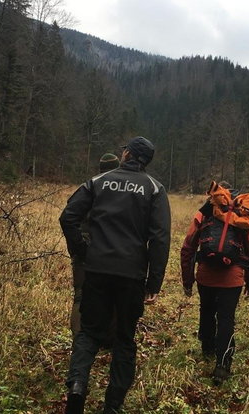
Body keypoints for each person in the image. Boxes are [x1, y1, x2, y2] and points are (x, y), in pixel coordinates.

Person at [59, 136, 171, 414]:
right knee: (124, 339)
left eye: (124, 149)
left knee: (89, 333)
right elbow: (160, 238)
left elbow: (68, 217)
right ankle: (113, 405)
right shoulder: (155, 189)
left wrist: (83, 251)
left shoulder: (99, 181)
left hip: (96, 269)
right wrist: (153, 281)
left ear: (128, 154)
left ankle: (76, 388)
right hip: (131, 275)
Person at [180, 182, 249, 386]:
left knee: (206, 310)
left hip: (205, 275)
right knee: (226, 318)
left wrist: (188, 280)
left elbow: (188, 247)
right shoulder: (240, 218)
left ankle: (207, 348)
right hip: (233, 278)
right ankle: (222, 365)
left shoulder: (203, 214)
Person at [70, 153, 120, 338]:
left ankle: (79, 338)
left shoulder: (88, 187)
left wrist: (78, 247)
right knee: (113, 296)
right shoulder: (120, 192)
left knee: (81, 296)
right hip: (110, 253)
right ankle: (109, 339)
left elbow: (68, 218)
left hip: (84, 253)